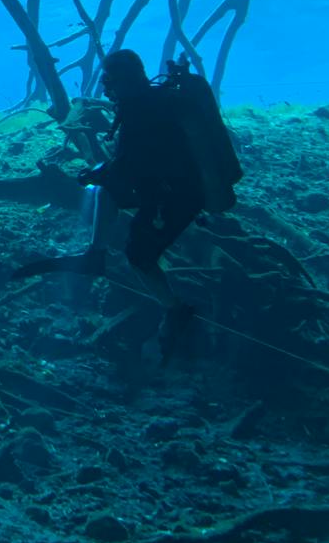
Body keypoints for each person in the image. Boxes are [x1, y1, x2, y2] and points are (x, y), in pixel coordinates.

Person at [78, 49, 241, 348]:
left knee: (138, 255)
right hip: (172, 188)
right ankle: (95, 254)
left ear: (123, 80)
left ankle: (177, 312)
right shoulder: (158, 98)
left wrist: (97, 175)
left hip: (177, 195)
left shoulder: (139, 110)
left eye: (109, 80)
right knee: (103, 190)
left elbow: (130, 165)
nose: (106, 88)